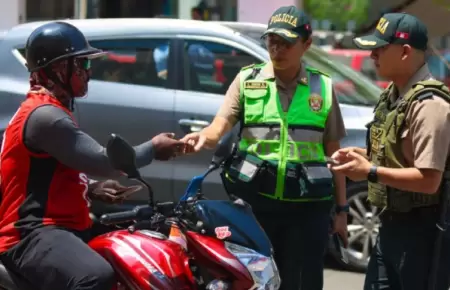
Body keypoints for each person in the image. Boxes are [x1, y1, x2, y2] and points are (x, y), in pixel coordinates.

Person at [0, 21, 187, 290]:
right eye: (82, 65)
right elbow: (103, 161)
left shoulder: (49, 110)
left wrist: (90, 189)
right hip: (31, 234)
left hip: (58, 226)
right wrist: (153, 148)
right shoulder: (45, 116)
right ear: (58, 69)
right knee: (95, 277)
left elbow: (41, 178)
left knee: (135, 253)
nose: (88, 73)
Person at [181, 6, 348, 290]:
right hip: (255, 206)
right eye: (272, 41)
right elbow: (219, 125)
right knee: (255, 281)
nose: (276, 48)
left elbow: (335, 154)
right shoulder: (247, 80)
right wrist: (203, 137)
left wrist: (342, 210)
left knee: (302, 281)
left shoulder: (323, 87)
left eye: (286, 43)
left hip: (307, 209)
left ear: (306, 44)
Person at [330, 13, 450, 290]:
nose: (372, 54)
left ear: (406, 52)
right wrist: (359, 155)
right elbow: (395, 156)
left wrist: (369, 171)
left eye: (380, 48)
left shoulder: (430, 105)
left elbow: (428, 180)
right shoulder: (395, 96)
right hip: (391, 228)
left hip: (422, 235)